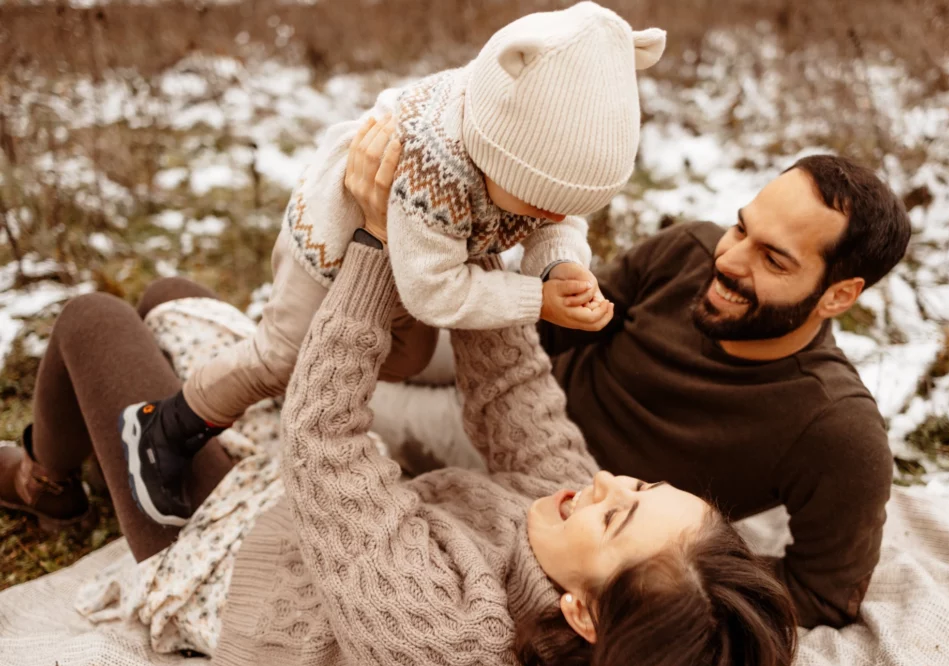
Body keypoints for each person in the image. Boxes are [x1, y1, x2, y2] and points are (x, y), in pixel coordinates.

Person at [0, 120, 798, 666]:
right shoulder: (568, 525)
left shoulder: (452, 644)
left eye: (619, 514)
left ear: (584, 617)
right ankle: (109, 452)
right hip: (318, 510)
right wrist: (486, 228)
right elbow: (517, 396)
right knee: (175, 298)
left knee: (94, 320)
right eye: (644, 486)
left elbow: (325, 447)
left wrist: (391, 237)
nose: (607, 483)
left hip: (233, 554)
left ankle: (48, 482)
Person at [118, 1, 665, 528]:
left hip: (412, 263)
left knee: (407, 354)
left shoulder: (530, 154)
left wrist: (559, 266)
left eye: (563, 205)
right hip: (333, 254)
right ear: (493, 149)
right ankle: (165, 426)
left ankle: (307, 377)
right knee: (280, 357)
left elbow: (556, 222)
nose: (550, 214)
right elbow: (434, 294)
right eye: (538, 201)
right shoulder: (436, 162)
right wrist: (534, 301)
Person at [537, 154, 913, 628]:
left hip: (559, 487)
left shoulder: (837, 431)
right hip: (530, 386)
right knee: (417, 335)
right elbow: (552, 330)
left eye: (773, 259)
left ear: (837, 295)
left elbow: (824, 594)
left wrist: (668, 576)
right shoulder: (686, 250)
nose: (727, 260)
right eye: (740, 229)